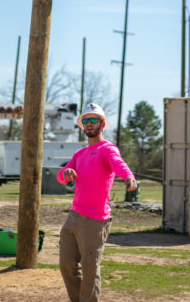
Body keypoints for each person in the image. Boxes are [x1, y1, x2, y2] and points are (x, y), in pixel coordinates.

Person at [57, 103, 137, 302]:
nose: (89, 124)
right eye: (85, 121)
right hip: (74, 217)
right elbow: (61, 176)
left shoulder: (107, 149)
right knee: (66, 265)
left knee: (90, 271)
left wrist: (128, 176)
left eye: (93, 120)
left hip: (95, 220)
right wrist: (65, 173)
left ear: (102, 124)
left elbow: (119, 164)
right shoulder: (80, 154)